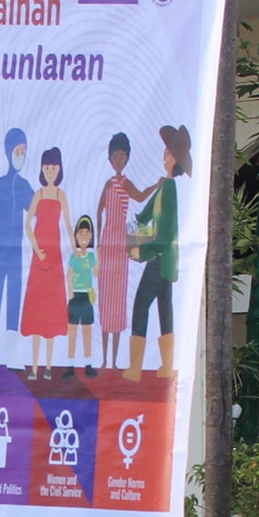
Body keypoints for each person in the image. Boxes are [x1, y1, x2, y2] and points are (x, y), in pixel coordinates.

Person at [126, 125, 189, 382]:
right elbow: (144, 216)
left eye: (168, 153)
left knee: (141, 305)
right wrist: (134, 230)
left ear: (175, 159)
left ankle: (136, 368)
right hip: (166, 262)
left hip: (160, 259)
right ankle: (165, 366)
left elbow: (165, 235)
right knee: (165, 309)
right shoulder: (165, 187)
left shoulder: (171, 191)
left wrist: (142, 250)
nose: (164, 157)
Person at [0, 127, 34, 373]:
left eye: (24, 151)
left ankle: (12, 356)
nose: (20, 155)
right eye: (17, 151)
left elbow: (38, 209)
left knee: (14, 301)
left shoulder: (24, 186)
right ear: (7, 152)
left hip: (16, 256)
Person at [94, 133, 146, 375]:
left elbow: (140, 196)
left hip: (122, 248)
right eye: (115, 155)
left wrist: (157, 185)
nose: (118, 159)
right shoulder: (108, 184)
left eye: (122, 155)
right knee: (106, 305)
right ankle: (104, 360)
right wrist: (99, 243)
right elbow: (99, 211)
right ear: (109, 157)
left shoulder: (126, 183)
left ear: (127, 158)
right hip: (107, 244)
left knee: (117, 306)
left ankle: (114, 361)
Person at [18, 147, 70, 379]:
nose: (50, 171)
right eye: (46, 167)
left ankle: (48, 367)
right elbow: (28, 224)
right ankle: (35, 367)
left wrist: (80, 249)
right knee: (37, 312)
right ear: (42, 169)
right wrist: (35, 247)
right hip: (39, 258)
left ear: (59, 169)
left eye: (53, 168)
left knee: (51, 313)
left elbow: (68, 225)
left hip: (56, 257)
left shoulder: (61, 195)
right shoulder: (38, 194)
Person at [66, 216, 98, 376]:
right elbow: (68, 276)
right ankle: (70, 366)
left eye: (87, 233)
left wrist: (100, 256)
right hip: (75, 298)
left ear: (91, 236)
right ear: (76, 236)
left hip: (86, 297)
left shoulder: (92, 257)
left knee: (87, 332)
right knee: (72, 332)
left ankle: (88, 364)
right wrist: (70, 293)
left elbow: (96, 274)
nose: (84, 237)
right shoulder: (74, 257)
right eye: (81, 233)